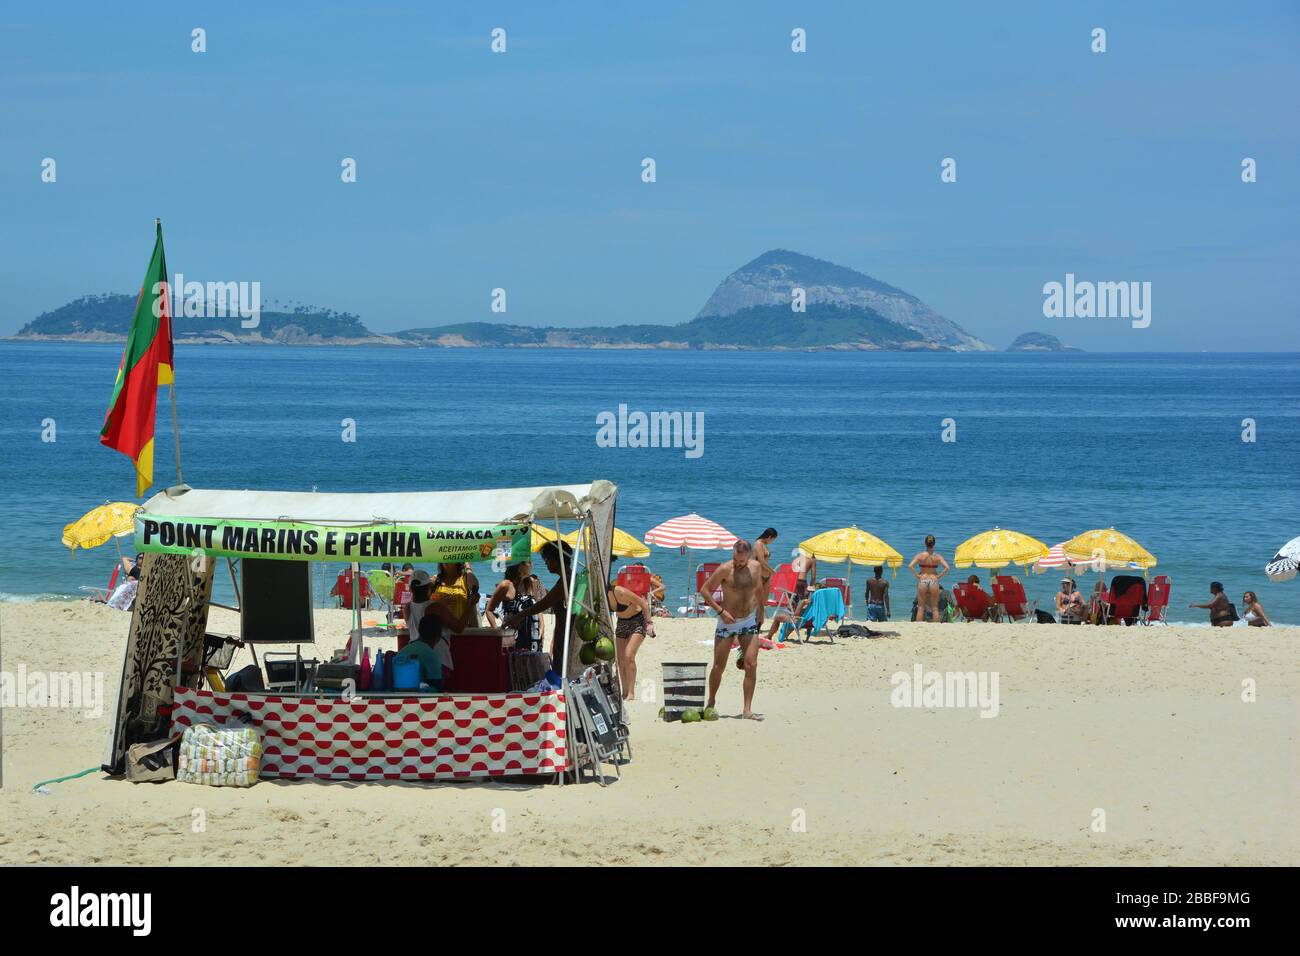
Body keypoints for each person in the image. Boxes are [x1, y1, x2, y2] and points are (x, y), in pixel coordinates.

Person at [700, 539, 765, 721]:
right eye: (735, 560)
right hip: (727, 622)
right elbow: (704, 590)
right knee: (719, 666)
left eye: (742, 562)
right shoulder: (724, 569)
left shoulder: (756, 567)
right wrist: (720, 611)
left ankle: (747, 710)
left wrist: (761, 609)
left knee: (751, 664)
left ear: (749, 557)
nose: (738, 564)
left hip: (749, 620)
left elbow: (758, 588)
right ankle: (711, 703)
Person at [504, 542, 577, 673]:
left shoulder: (566, 581)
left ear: (557, 559)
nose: (546, 563)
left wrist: (519, 616)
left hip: (568, 635)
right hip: (564, 631)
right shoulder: (568, 578)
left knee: (563, 671)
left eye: (547, 559)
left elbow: (543, 604)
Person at [608, 580, 652, 700]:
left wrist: (649, 624)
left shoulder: (620, 592)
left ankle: (631, 692)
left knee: (628, 656)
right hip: (621, 624)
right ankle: (625, 691)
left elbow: (643, 603)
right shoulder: (602, 595)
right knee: (620, 660)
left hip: (637, 622)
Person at [486, 560, 541, 650]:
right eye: (527, 562)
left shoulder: (530, 582)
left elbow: (536, 606)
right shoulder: (506, 585)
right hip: (513, 635)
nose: (531, 564)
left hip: (532, 632)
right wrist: (497, 632)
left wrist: (542, 626)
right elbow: (489, 610)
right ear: (518, 565)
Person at [395, 613, 446, 691]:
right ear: (438, 636)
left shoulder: (403, 651)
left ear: (419, 631)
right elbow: (437, 688)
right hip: (419, 699)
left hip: (398, 696)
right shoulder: (431, 655)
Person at [907, 535, 949, 622]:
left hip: (923, 580)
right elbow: (947, 568)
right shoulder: (937, 556)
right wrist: (939, 576)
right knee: (934, 607)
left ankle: (919, 625)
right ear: (934, 544)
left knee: (921, 607)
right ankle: (936, 626)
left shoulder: (920, 556)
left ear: (925, 543)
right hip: (933, 580)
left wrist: (917, 576)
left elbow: (910, 566)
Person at [753, 528, 777, 627]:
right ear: (769, 537)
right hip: (758, 575)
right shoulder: (758, 544)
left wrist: (770, 573)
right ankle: (748, 622)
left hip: (766, 576)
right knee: (755, 601)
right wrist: (772, 571)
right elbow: (761, 561)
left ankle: (757, 624)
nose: (773, 541)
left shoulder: (764, 544)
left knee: (763, 602)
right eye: (773, 539)